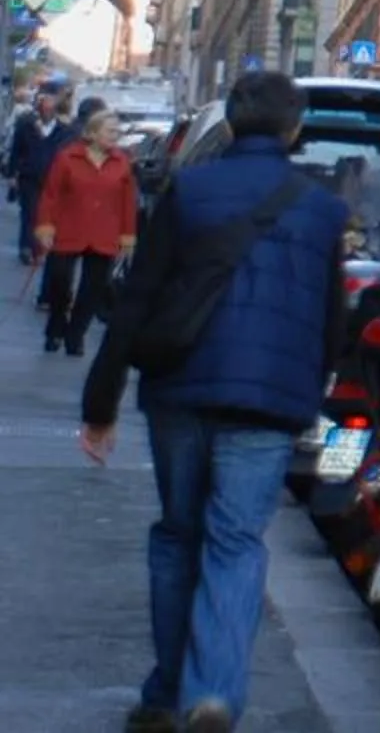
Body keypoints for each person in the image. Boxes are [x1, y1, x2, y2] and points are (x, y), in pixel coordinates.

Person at [80, 70, 351, 733]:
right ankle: (213, 693)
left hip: (181, 389)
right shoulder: (322, 208)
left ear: (229, 123)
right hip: (268, 403)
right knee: (235, 542)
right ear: (296, 130)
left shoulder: (189, 189)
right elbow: (332, 320)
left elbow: (138, 297)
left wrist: (101, 402)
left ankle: (168, 691)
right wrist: (309, 392)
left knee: (179, 535)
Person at [37, 104, 139, 353]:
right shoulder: (68, 157)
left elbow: (128, 202)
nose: (115, 136)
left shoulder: (122, 163)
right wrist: (45, 226)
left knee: (93, 288)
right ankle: (56, 325)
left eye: (117, 132)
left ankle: (76, 335)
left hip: (104, 232)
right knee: (59, 281)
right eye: (110, 131)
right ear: (92, 133)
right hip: (68, 228)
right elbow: (51, 194)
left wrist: (127, 237)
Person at [10, 78, 73, 262]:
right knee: (29, 211)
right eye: (44, 100)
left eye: (51, 101)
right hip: (29, 175)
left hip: (52, 177)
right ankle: (26, 248)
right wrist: (13, 173)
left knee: (44, 213)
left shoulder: (63, 129)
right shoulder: (26, 123)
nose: (47, 105)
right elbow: (16, 149)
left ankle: (38, 249)